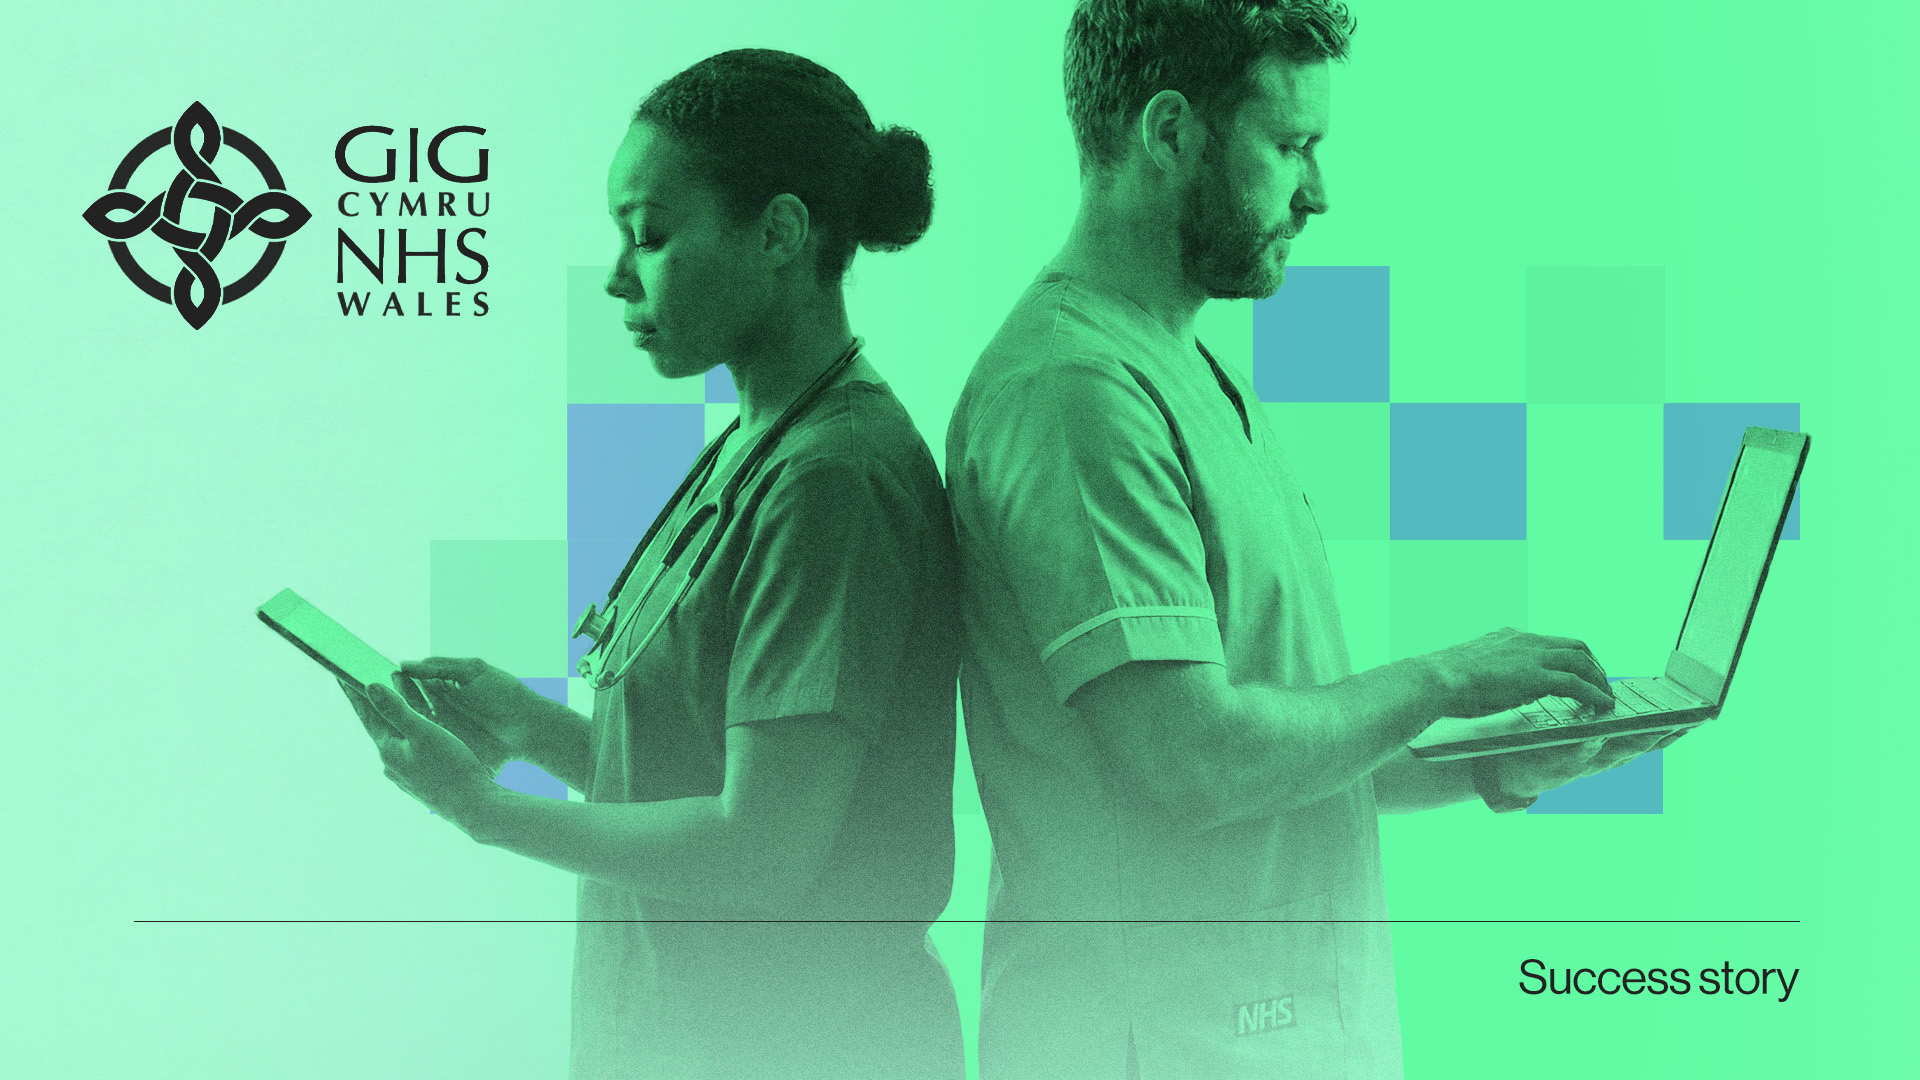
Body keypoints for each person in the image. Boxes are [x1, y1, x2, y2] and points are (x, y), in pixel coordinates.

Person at [943, 3, 1686, 1077]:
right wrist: (1444, 678)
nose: (1318, 192)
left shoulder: (1191, 369)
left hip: (1274, 1035)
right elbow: (1196, 760)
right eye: (1291, 145)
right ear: (1169, 132)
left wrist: (1496, 763)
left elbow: (1289, 750)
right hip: (1157, 1044)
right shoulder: (1072, 394)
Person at [341, 48, 965, 1080]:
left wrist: (484, 812)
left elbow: (762, 847)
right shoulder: (754, 445)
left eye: (651, 234)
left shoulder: (833, 479)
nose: (619, 276)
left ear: (780, 233)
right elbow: (702, 773)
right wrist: (531, 727)